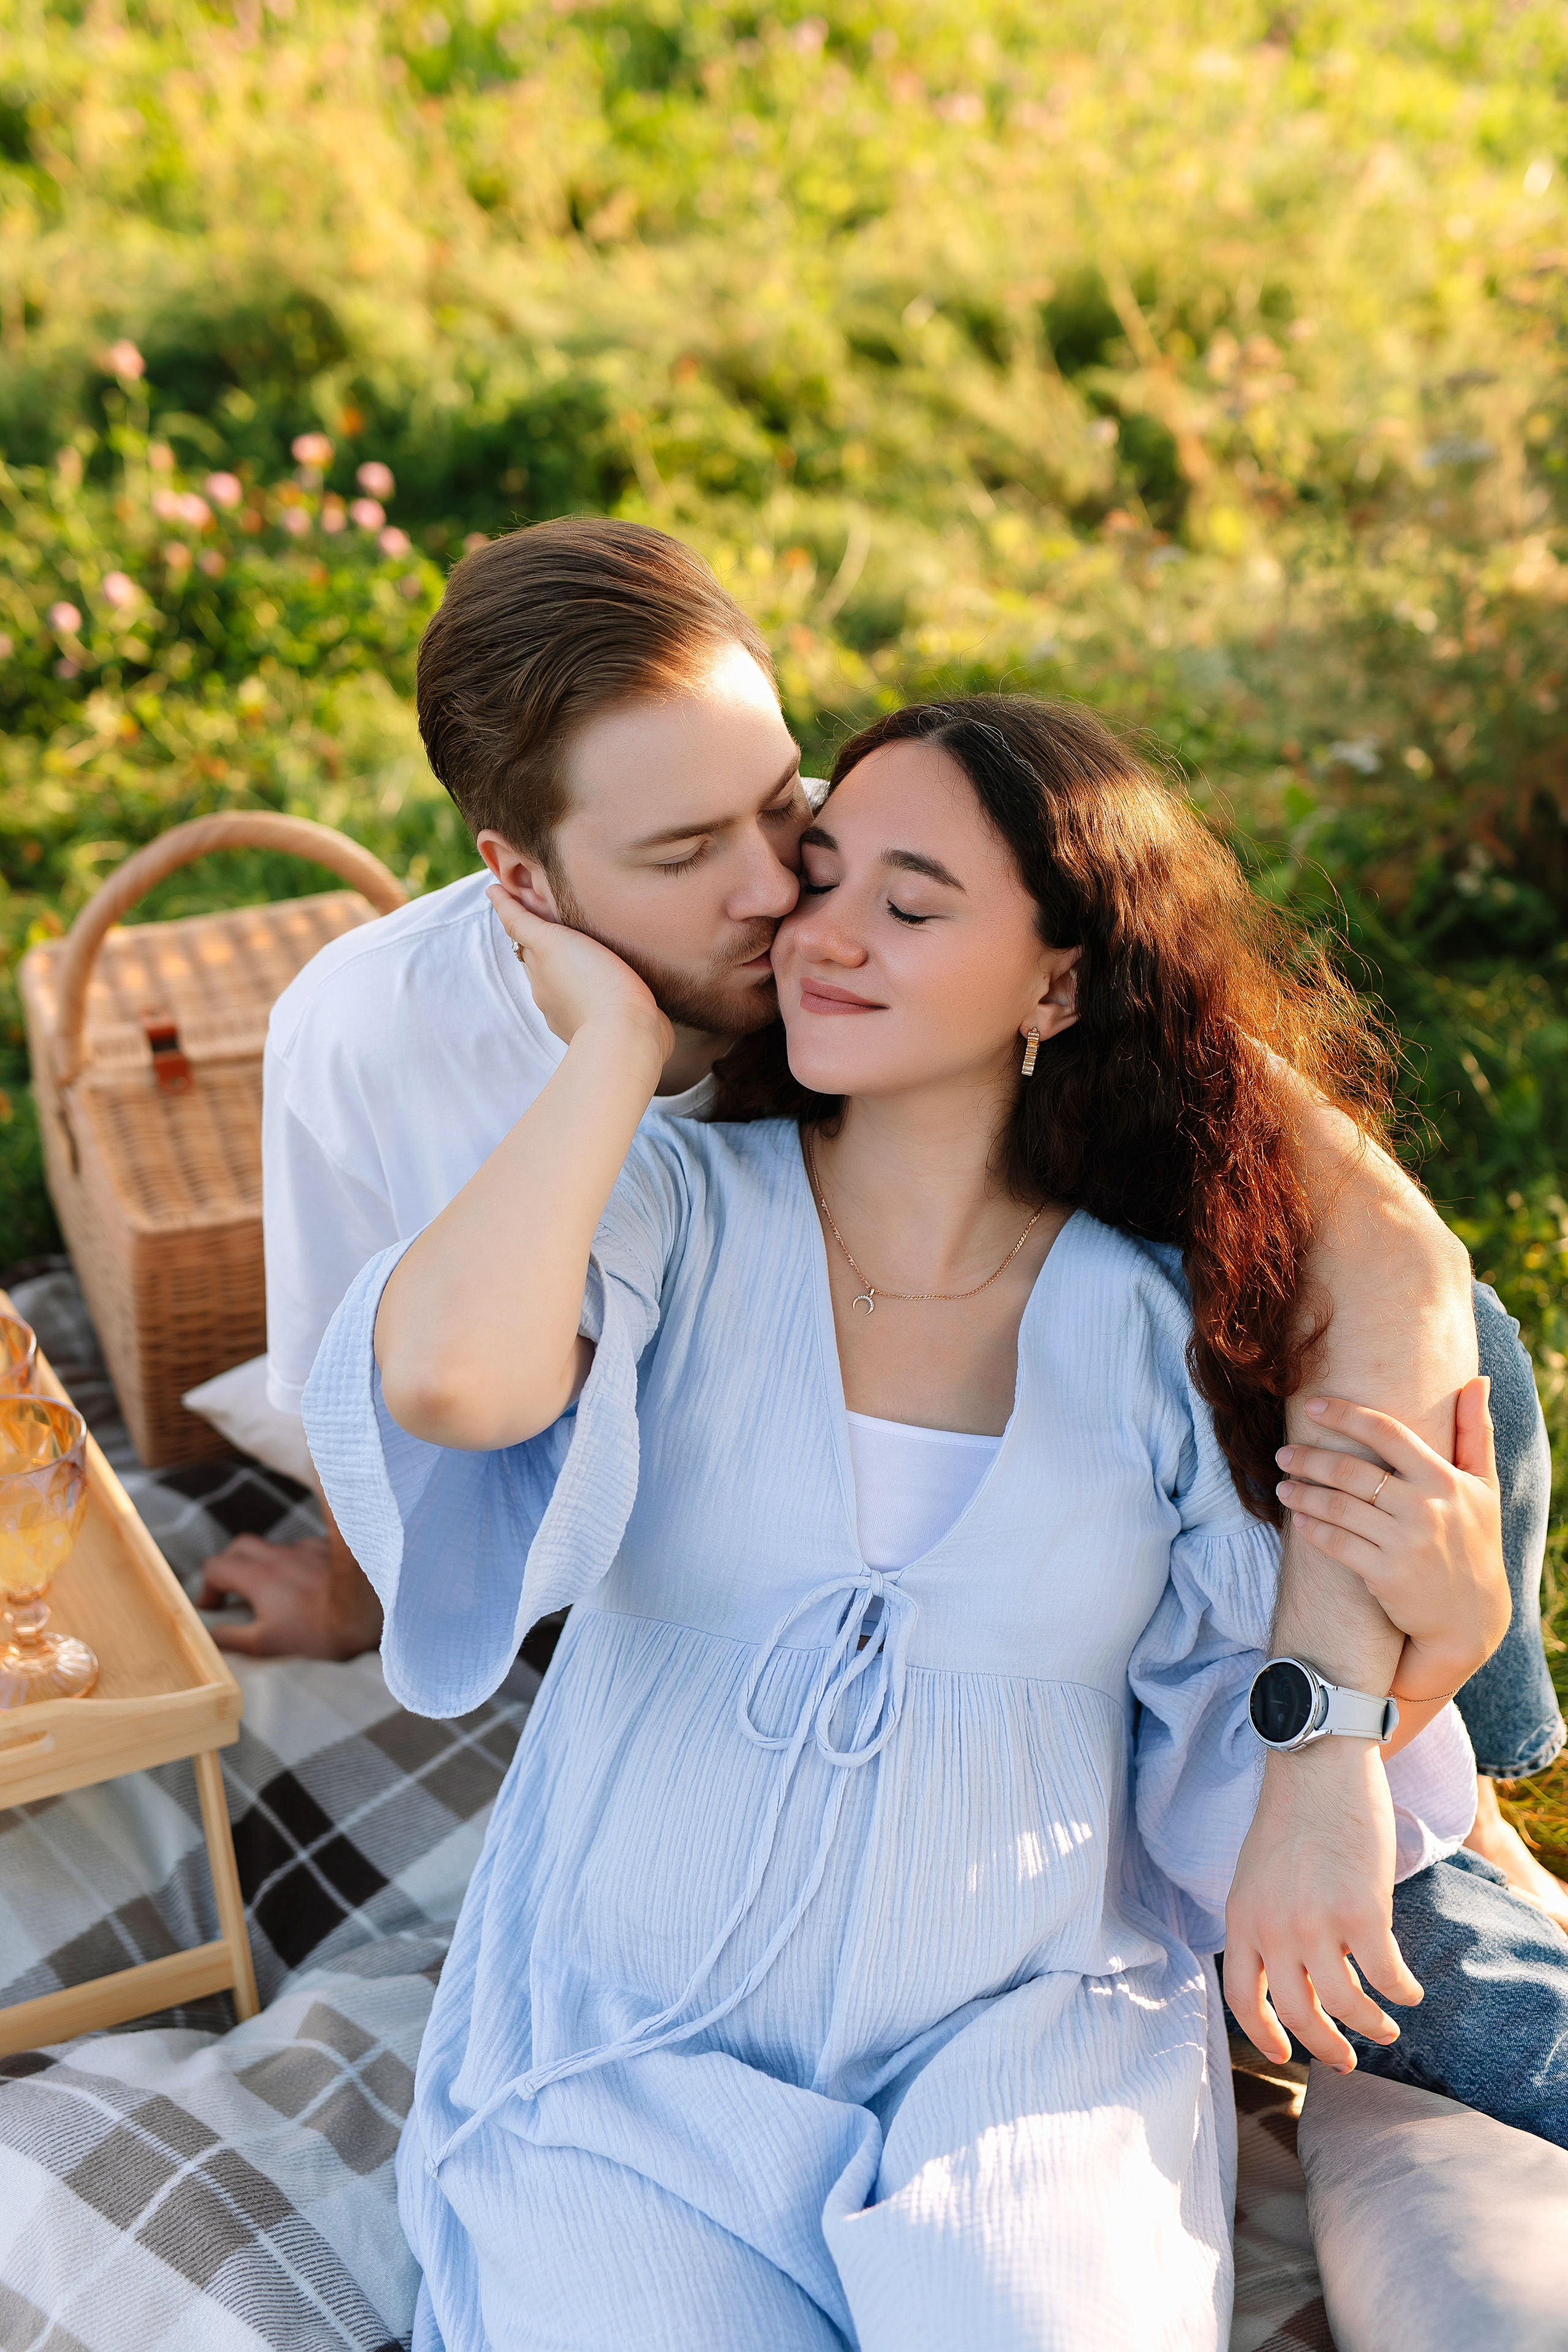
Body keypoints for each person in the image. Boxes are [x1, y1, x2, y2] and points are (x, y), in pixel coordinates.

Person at [306, 696, 1532, 2348]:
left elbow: (1241, 1793)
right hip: (627, 2046)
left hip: (1027, 2051)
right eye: (820, 877)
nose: (826, 933)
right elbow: (452, 1381)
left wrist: (1434, 1652)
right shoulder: (666, 1202)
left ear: (1057, 982)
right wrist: (610, 1041)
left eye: (914, 899)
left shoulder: (1158, 1330)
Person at [204, 515, 1562, 1983]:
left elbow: (1393, 1251)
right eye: (682, 853)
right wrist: (357, 1591)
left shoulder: (870, 943)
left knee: (1448, 1338)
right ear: (521, 882)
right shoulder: (368, 1037)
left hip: (1015, 1516)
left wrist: (1345, 1726)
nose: (779, 893)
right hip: (682, 1563)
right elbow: (383, 1382)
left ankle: (1458, 1791)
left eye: (780, 802)